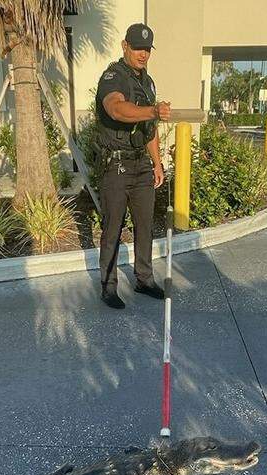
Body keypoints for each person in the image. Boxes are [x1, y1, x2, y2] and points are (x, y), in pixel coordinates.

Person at [93, 23, 171, 309]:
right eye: (138, 47)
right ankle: (108, 287)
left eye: (147, 49)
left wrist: (157, 162)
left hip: (141, 167)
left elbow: (149, 128)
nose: (143, 54)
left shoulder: (147, 83)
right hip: (116, 166)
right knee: (112, 227)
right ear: (124, 45)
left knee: (144, 226)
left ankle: (144, 279)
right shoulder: (112, 77)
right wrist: (152, 110)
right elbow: (115, 108)